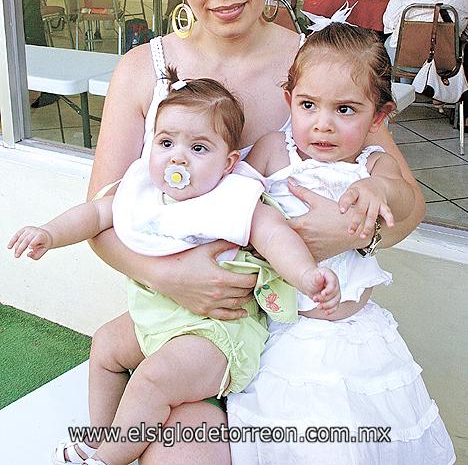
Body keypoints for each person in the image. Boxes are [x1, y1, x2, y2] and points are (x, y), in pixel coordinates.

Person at [84, 0, 424, 464]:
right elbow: (103, 221)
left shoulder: (320, 68)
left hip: (300, 338)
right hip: (195, 330)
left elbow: (409, 204)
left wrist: (355, 230)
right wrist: (172, 276)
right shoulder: (143, 72)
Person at [10, 70, 340, 465]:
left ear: (229, 162)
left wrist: (306, 274)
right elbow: (97, 213)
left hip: (216, 334)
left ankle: (108, 459)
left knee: (152, 380)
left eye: (199, 148)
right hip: (159, 317)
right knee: (105, 346)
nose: (178, 157)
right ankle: (102, 435)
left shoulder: (234, 197)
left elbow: (275, 237)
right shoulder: (144, 193)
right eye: (166, 143)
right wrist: (48, 232)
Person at [228, 23, 455, 464]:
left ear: (378, 116)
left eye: (346, 110)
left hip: (357, 339)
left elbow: (406, 197)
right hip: (284, 331)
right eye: (308, 105)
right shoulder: (275, 150)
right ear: (289, 100)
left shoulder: (375, 162)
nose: (323, 124)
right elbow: (232, 200)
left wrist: (379, 191)